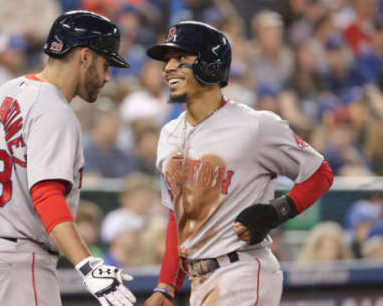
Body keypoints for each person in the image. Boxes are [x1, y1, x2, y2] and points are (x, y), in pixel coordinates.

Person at [0, 10, 136, 306]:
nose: (107, 76)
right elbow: (46, 195)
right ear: (85, 56)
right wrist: (88, 265)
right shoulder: (55, 110)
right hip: (15, 262)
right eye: (106, 63)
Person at [143, 21, 334, 306]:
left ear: (210, 64)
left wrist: (277, 211)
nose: (168, 67)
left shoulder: (255, 126)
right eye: (167, 59)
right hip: (200, 280)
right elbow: (177, 215)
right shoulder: (169, 134)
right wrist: (167, 285)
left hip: (243, 270)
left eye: (181, 57)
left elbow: (320, 173)